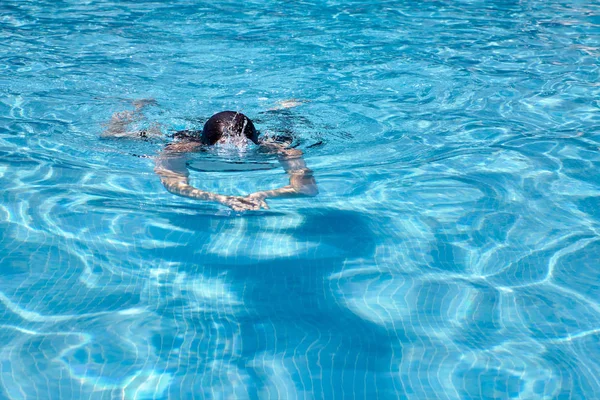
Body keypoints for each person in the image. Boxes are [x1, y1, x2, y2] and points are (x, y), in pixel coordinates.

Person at [103, 101, 318, 211]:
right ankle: (134, 108)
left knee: (284, 120)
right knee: (113, 137)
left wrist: (264, 194)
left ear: (255, 141)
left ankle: (280, 108)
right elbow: (172, 183)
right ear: (206, 145)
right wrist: (220, 198)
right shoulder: (180, 148)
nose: (234, 156)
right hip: (183, 138)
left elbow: (307, 188)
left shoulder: (280, 148)